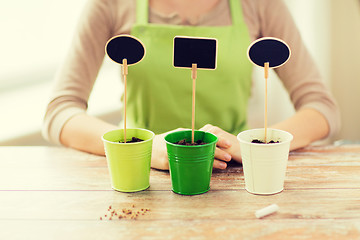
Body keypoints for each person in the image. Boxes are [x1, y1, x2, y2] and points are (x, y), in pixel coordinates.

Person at [42, 0, 340, 170]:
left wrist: (252, 145)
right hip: (137, 177)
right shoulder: (110, 4)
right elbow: (60, 112)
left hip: (230, 178)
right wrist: (142, 149)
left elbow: (322, 109)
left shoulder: (260, 4)